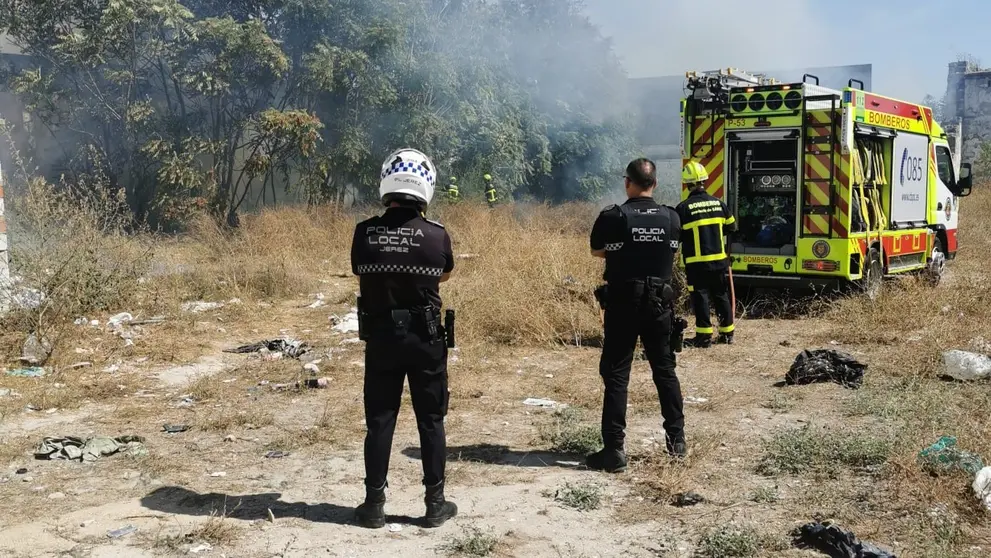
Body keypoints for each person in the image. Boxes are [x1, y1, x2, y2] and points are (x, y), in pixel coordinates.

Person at [350, 148, 458, 529]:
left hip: (381, 339)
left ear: (387, 182)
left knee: (380, 420)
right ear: (425, 186)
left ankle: (374, 504)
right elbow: (444, 274)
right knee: (431, 419)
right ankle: (435, 504)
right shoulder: (436, 236)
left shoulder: (364, 233)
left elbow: (360, 272)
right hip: (425, 340)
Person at [586, 157, 687, 472]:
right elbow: (671, 251)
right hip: (659, 305)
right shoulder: (672, 217)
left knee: (617, 374)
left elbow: (597, 251)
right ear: (655, 183)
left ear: (627, 183)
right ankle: (677, 443)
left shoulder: (613, 216)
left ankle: (614, 450)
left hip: (623, 304)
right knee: (665, 371)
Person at [676, 160, 737, 348]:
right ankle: (727, 334)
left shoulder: (683, 208)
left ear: (687, 184)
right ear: (704, 181)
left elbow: (677, 236)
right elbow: (732, 227)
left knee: (700, 297)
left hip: (697, 264)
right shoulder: (719, 204)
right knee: (721, 295)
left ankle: (704, 337)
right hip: (719, 261)